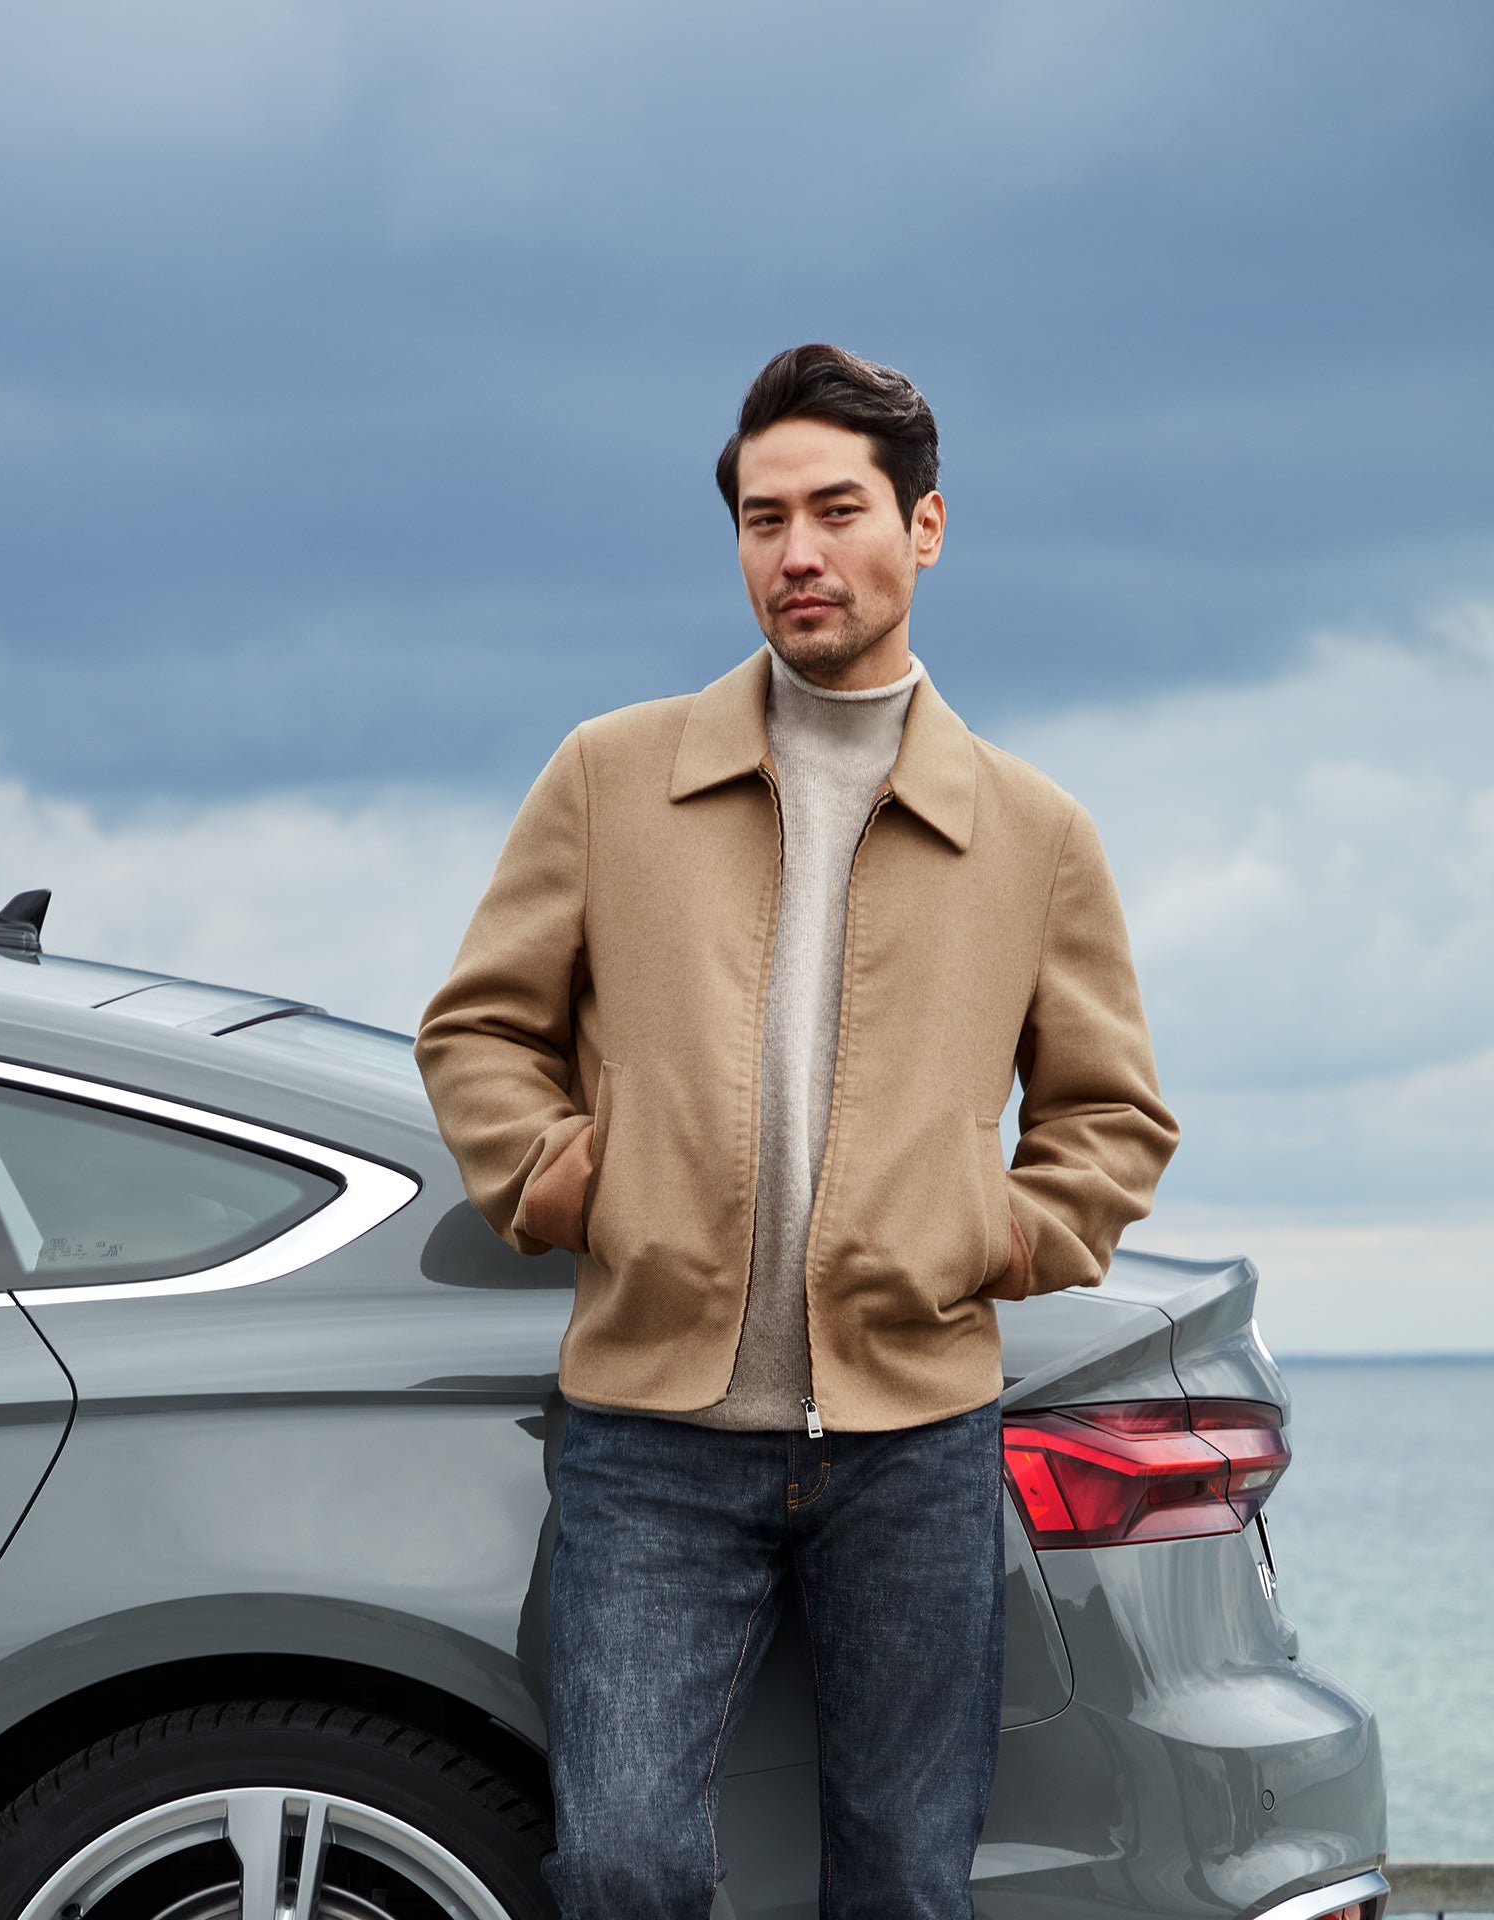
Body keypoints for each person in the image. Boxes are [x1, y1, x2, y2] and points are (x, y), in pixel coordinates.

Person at [413, 343, 1179, 1920]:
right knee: (621, 1863)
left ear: (929, 527)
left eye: (838, 511)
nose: (799, 553)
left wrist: (995, 1233)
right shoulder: (612, 777)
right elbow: (479, 1030)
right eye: (764, 520)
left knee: (904, 1881)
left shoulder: (1033, 833)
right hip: (649, 1434)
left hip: (917, 1444)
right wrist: (572, 1181)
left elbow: (1111, 1115)